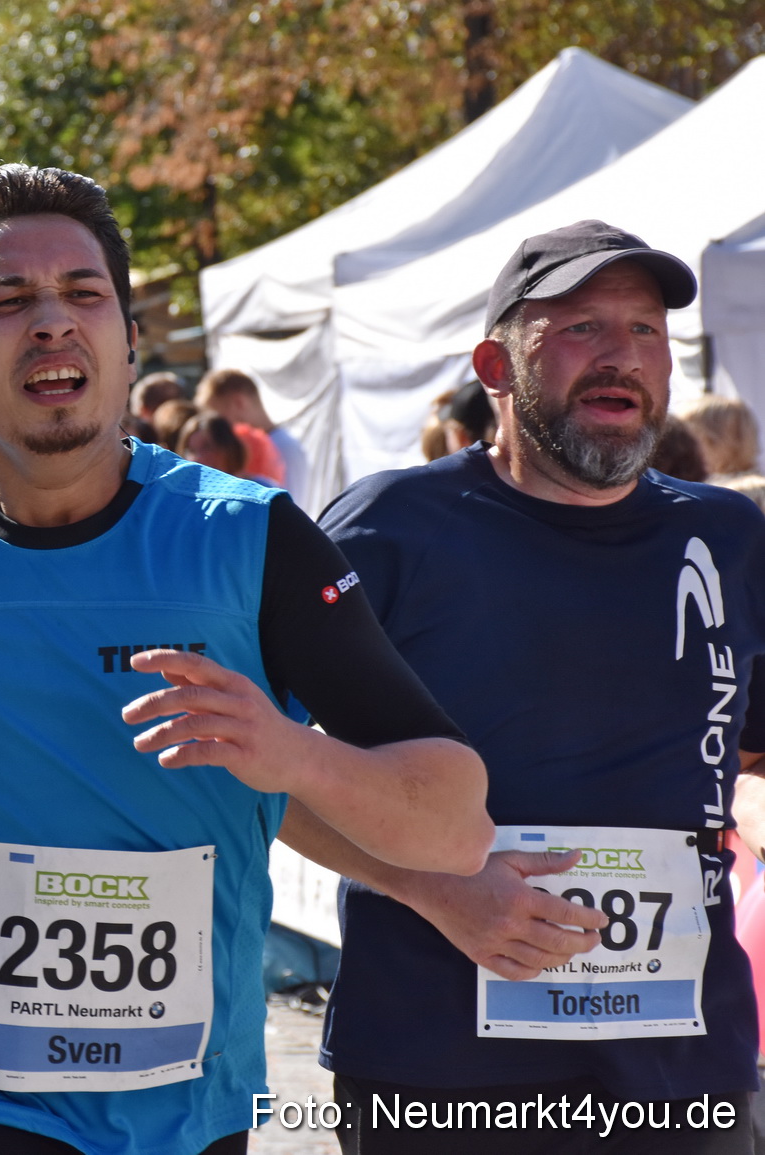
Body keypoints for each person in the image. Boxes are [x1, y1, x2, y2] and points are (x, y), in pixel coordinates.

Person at [0, 164, 492, 1155]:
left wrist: (289, 756)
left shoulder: (250, 540)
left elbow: (454, 818)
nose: (52, 322)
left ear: (126, 342)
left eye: (85, 294)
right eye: (7, 300)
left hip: (184, 1108)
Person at [293, 220, 765, 1153]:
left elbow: (746, 752)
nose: (621, 356)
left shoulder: (729, 536)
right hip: (444, 1073)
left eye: (644, 331)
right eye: (581, 329)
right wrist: (432, 888)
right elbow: (246, 761)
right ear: (495, 367)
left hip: (683, 1068)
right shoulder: (391, 529)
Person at [194, 369, 299, 499]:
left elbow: (292, 506)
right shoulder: (274, 443)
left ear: (239, 402)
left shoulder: (283, 447)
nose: (217, 427)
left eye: (219, 415)